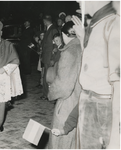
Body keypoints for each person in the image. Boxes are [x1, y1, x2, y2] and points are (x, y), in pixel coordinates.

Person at [52, 1, 120, 149]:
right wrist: (83, 41)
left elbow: (117, 81)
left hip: (102, 105)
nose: (77, 1)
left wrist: (116, 137)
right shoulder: (96, 24)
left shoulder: (112, 23)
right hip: (87, 102)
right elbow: (91, 70)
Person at [47, 21, 82, 149]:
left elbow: (64, 86)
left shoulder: (70, 52)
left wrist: (51, 92)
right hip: (80, 102)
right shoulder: (83, 47)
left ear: (63, 35)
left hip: (68, 104)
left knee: (61, 141)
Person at [40, 15, 58, 100]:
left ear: (45, 21)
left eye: (44, 21)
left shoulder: (53, 30)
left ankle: (48, 95)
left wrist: (53, 59)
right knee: (46, 76)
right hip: (46, 57)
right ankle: (46, 94)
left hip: (49, 57)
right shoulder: (48, 29)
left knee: (49, 77)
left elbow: (55, 45)